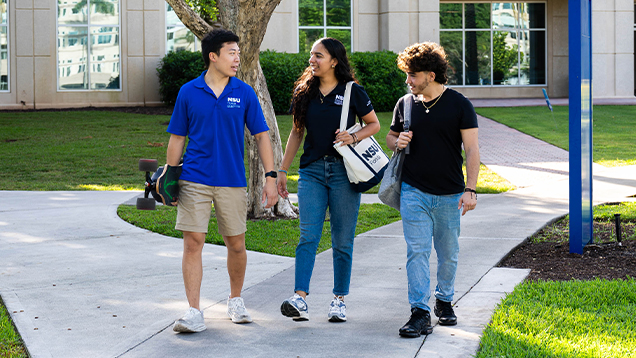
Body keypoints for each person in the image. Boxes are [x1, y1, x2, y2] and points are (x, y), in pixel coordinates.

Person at [166, 29, 278, 333]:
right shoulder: (189, 92)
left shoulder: (244, 92)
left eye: (238, 52)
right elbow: (178, 138)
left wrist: (270, 176)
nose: (237, 58)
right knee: (193, 242)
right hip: (194, 178)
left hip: (232, 179)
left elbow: (262, 137)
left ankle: (236, 300)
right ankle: (193, 311)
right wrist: (169, 176)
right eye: (231, 52)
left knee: (236, 243)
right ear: (212, 56)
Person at [277, 37, 380, 323]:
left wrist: (353, 135)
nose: (312, 60)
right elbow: (297, 133)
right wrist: (282, 170)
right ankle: (300, 298)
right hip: (311, 171)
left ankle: (339, 300)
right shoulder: (305, 92)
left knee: (342, 240)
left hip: (343, 173)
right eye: (311, 55)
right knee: (308, 236)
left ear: (334, 61)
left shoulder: (352, 91)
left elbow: (374, 124)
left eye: (318, 55)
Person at [386, 42, 480, 338]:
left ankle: (444, 300)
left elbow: (473, 149)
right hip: (413, 191)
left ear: (430, 74)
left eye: (412, 75)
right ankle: (419, 312)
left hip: (450, 194)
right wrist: (397, 141)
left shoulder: (459, 104)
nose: (408, 81)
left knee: (448, 252)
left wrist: (471, 189)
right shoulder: (406, 104)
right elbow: (390, 137)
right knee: (417, 251)